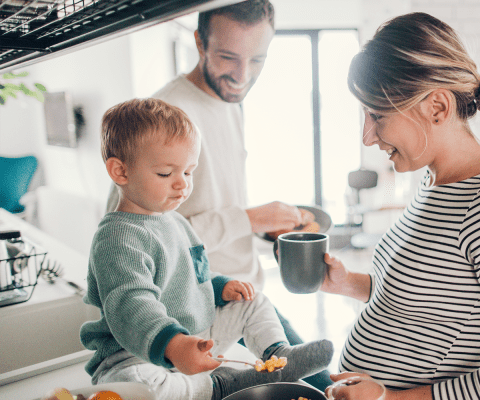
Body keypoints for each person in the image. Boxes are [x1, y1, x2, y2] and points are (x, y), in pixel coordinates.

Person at [321, 12, 480, 400]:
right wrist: (348, 283)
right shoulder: (433, 182)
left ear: (436, 107)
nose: (368, 136)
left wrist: (392, 399)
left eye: (377, 116)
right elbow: (426, 306)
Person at [105, 0, 333, 390]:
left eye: (257, 59)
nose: (242, 75)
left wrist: (265, 233)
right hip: (196, 309)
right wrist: (249, 218)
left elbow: (212, 203)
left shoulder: (228, 101)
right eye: (228, 57)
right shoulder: (168, 114)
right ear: (199, 42)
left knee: (320, 381)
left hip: (239, 290)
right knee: (315, 386)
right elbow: (134, 228)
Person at [83, 98, 332, 400]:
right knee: (139, 383)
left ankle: (277, 356)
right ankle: (218, 386)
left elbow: (193, 273)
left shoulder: (173, 220)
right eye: (166, 174)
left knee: (253, 301)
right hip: (136, 353)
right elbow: (132, 306)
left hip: (194, 338)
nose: (182, 185)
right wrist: (173, 346)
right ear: (120, 172)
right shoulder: (117, 238)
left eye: (188, 172)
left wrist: (220, 287)